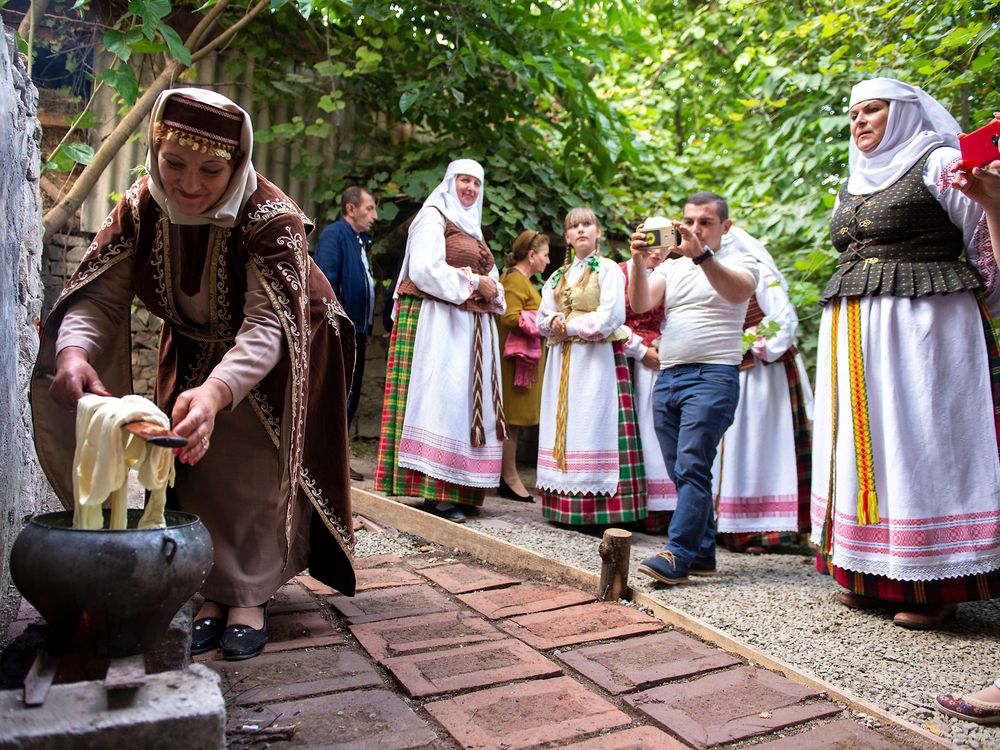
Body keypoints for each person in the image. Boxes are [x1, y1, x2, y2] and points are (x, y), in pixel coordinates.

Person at [31, 88, 356, 661]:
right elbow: (100, 298)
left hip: (287, 343)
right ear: (154, 151)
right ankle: (211, 588)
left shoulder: (271, 219)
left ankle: (251, 593)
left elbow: (264, 327)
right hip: (192, 341)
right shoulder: (140, 207)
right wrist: (73, 352)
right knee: (193, 464)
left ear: (237, 164)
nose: (188, 184)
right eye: (172, 162)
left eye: (211, 169)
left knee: (255, 464)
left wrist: (216, 391)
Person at [810, 79, 1000, 630]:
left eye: (872, 109)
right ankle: (868, 574)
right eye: (853, 113)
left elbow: (985, 246)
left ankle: (932, 584)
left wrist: (970, 312)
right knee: (867, 448)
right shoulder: (853, 181)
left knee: (922, 440)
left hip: (927, 333)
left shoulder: (939, 162)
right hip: (857, 335)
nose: (860, 121)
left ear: (905, 114)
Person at [628, 192, 759, 584]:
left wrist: (702, 255)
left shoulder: (739, 259)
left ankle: (677, 553)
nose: (694, 229)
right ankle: (702, 553)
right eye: (689, 221)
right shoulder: (673, 265)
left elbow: (737, 292)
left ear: (725, 227)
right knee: (682, 471)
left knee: (692, 465)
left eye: (705, 222)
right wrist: (638, 263)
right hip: (668, 376)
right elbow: (640, 303)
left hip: (714, 376)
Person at [374, 159, 506, 523]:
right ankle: (435, 493)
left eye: (477, 183)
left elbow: (491, 275)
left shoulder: (473, 229)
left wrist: (489, 288)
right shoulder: (433, 218)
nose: (471, 189)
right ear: (450, 182)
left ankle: (462, 489)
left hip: (467, 328)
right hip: (437, 324)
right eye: (464, 180)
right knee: (439, 400)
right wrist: (476, 284)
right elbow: (424, 269)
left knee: (461, 406)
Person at [535, 208, 646, 526]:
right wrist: (551, 322)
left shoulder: (609, 270)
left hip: (596, 359)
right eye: (573, 226)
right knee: (566, 423)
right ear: (567, 236)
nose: (581, 230)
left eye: (587, 225)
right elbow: (544, 313)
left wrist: (567, 327)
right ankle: (563, 506)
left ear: (597, 232)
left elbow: (613, 317)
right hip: (562, 360)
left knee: (593, 420)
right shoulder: (558, 276)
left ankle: (604, 510)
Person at [711, 227, 813, 553]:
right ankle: (729, 526)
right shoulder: (709, 271)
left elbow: (784, 319)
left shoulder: (760, 271)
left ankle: (768, 530)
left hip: (763, 375)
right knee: (732, 446)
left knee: (762, 446)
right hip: (728, 369)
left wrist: (753, 343)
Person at [315, 186, 378, 481]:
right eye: (369, 208)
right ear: (350, 209)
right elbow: (326, 283)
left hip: (358, 331)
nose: (375, 216)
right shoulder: (334, 235)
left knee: (349, 396)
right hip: (342, 331)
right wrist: (337, 327)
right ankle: (326, 462)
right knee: (338, 395)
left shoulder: (359, 240)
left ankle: (336, 459)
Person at [620, 241, 677, 533]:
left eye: (665, 247)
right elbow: (615, 319)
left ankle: (658, 510)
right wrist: (639, 350)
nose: (658, 251)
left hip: (657, 363)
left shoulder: (670, 276)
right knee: (626, 433)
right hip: (623, 360)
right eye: (653, 244)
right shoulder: (619, 273)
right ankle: (626, 506)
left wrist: (663, 348)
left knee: (654, 433)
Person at [496, 229, 550, 502]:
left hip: (519, 364)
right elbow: (509, 317)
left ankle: (508, 474)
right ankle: (508, 476)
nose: (547, 261)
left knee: (512, 423)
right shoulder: (516, 280)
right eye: (544, 254)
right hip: (515, 365)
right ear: (531, 256)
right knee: (511, 422)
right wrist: (543, 322)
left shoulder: (520, 279)